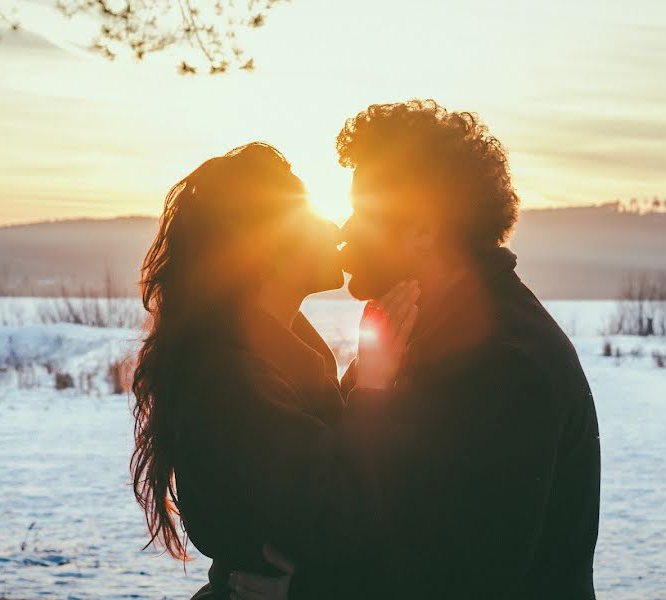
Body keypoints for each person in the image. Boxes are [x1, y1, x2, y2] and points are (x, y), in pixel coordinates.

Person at [232, 100, 601, 599]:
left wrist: (309, 592)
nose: (344, 230)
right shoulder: (411, 332)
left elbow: (468, 577)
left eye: (365, 212)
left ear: (424, 228)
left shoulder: (509, 361)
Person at [130, 142, 419, 600]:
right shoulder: (234, 379)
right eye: (308, 216)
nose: (333, 227)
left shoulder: (274, 355)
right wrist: (374, 391)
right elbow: (341, 515)